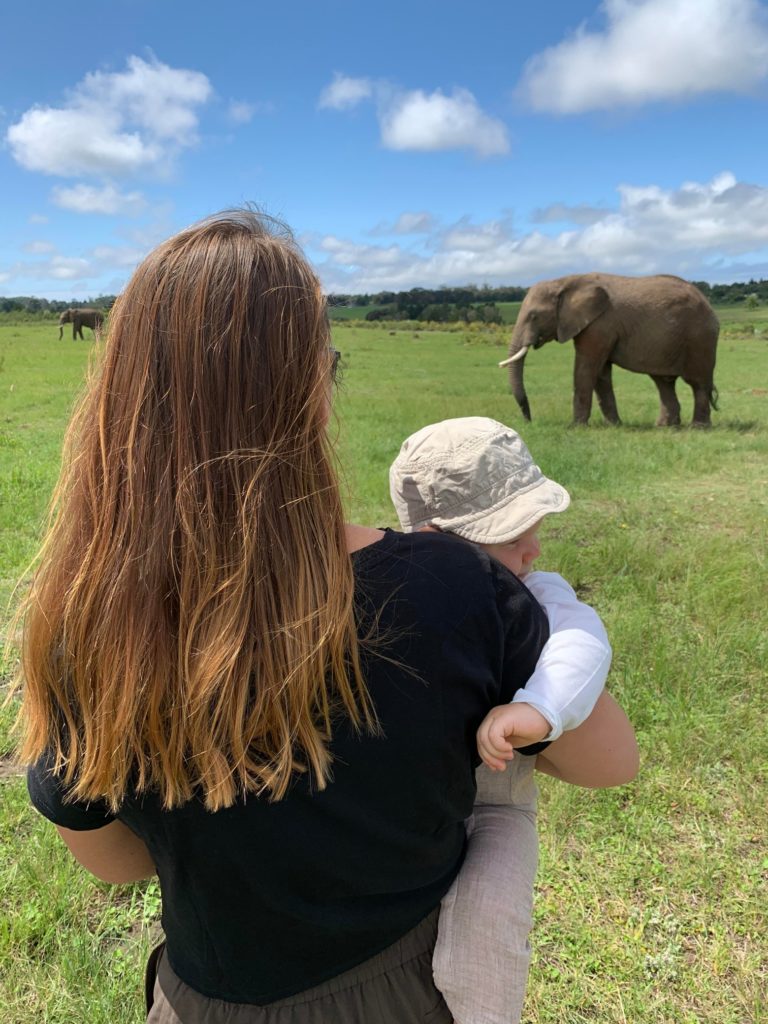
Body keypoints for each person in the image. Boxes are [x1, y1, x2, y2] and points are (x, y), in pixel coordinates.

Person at [19, 211, 637, 1024]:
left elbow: (116, 862)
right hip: (405, 991)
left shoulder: (82, 624)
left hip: (197, 998)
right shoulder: (451, 585)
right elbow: (609, 762)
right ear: (312, 388)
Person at [390, 416, 633, 1024]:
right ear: (437, 539)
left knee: (486, 928)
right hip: (412, 805)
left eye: (535, 527)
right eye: (510, 536)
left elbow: (584, 642)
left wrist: (540, 707)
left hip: (495, 805)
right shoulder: (391, 587)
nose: (535, 549)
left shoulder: (536, 592)